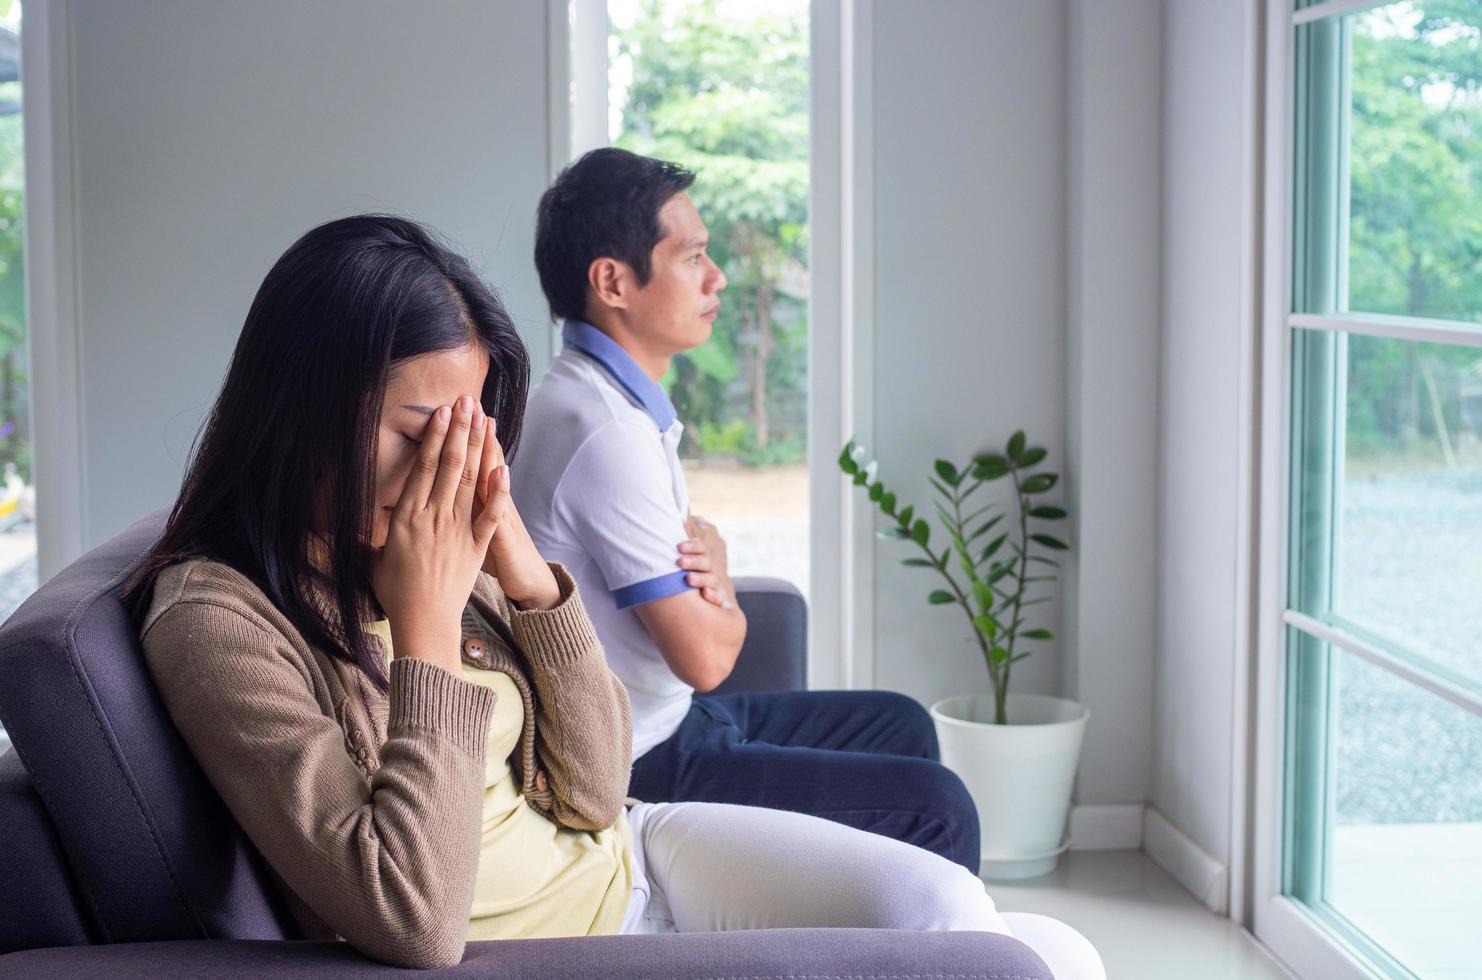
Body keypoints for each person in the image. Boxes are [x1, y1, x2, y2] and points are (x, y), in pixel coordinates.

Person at [125, 215, 1102, 978]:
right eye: (419, 429)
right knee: (1015, 959)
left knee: (991, 923)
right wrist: (422, 629)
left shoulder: (431, 546)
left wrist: (522, 569)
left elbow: (595, 785)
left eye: (467, 433)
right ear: (303, 413)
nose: (448, 467)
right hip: (550, 950)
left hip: (632, 852)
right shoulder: (217, 621)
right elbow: (413, 919)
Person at [516, 148, 981, 872]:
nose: (717, 277)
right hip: (641, 762)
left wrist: (715, 582)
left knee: (901, 722)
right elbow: (706, 656)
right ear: (612, 281)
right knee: (939, 809)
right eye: (693, 256)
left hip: (672, 722)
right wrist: (724, 591)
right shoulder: (601, 431)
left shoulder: (603, 403)